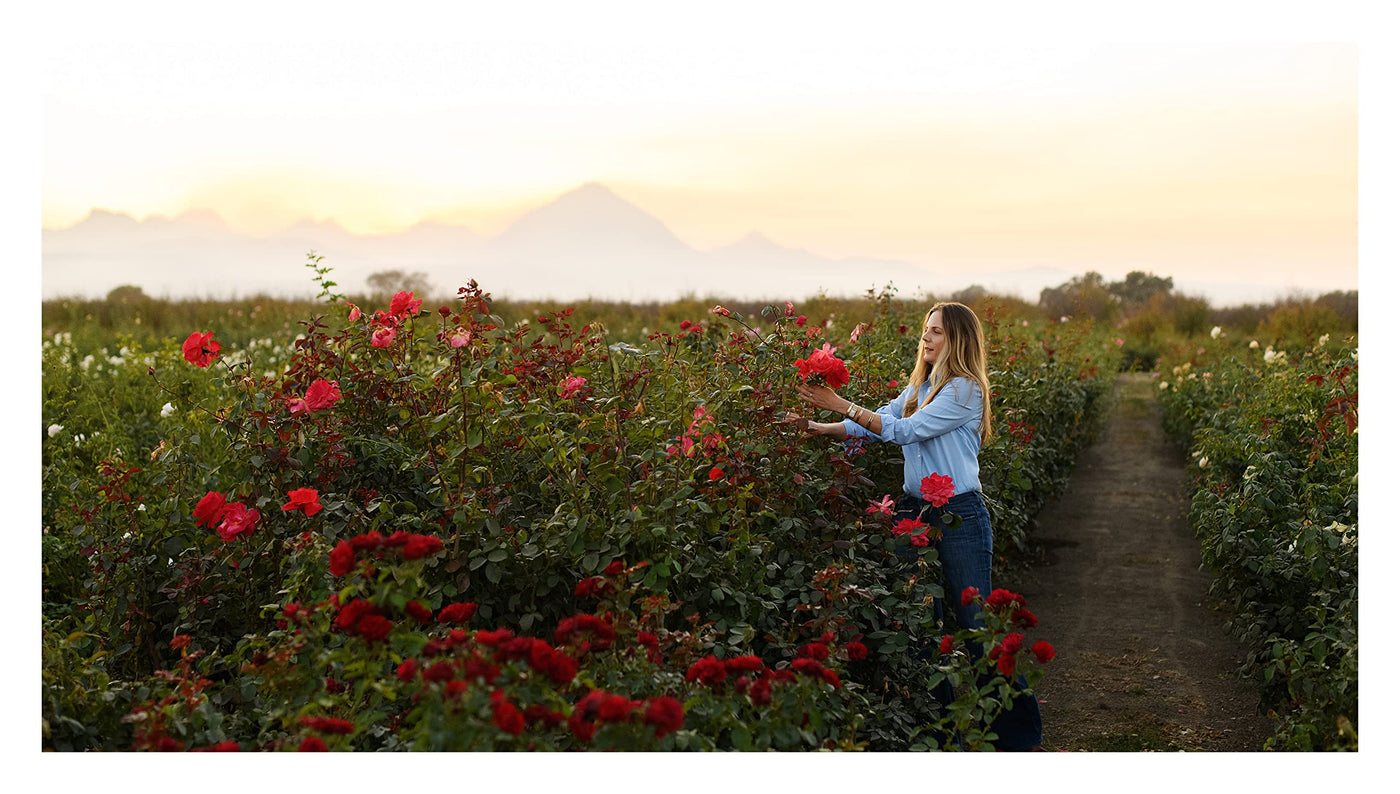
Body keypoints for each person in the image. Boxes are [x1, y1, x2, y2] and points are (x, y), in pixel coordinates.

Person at [789, 301, 1044, 751]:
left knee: (979, 626)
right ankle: (942, 736)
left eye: (937, 333)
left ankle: (1018, 742)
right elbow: (878, 424)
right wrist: (819, 424)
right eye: (926, 331)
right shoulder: (920, 388)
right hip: (914, 512)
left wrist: (839, 402)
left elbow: (905, 431)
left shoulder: (965, 390)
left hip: (960, 515)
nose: (926, 338)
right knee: (920, 625)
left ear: (959, 340)